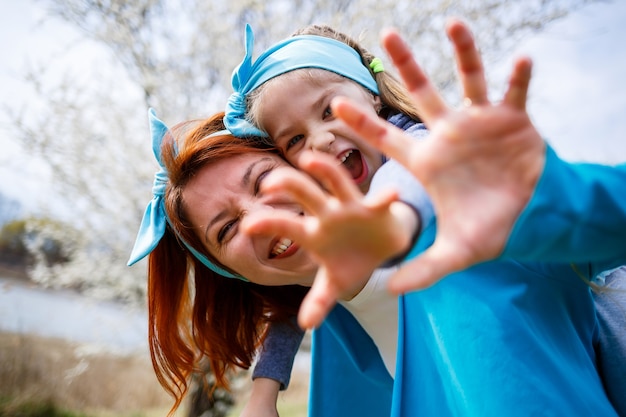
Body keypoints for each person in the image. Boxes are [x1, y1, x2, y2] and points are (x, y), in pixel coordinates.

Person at [240, 19, 626, 416]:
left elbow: (412, 177)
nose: (319, 139)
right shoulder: (330, 209)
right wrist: (264, 387)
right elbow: (291, 303)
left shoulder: (422, 144)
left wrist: (401, 218)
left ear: (371, 95)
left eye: (328, 110)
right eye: (295, 140)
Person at [127, 109, 425, 417]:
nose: (264, 220)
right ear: (231, 273)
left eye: (264, 179)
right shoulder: (317, 299)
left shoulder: (417, 208)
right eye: (227, 229)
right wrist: (262, 394)